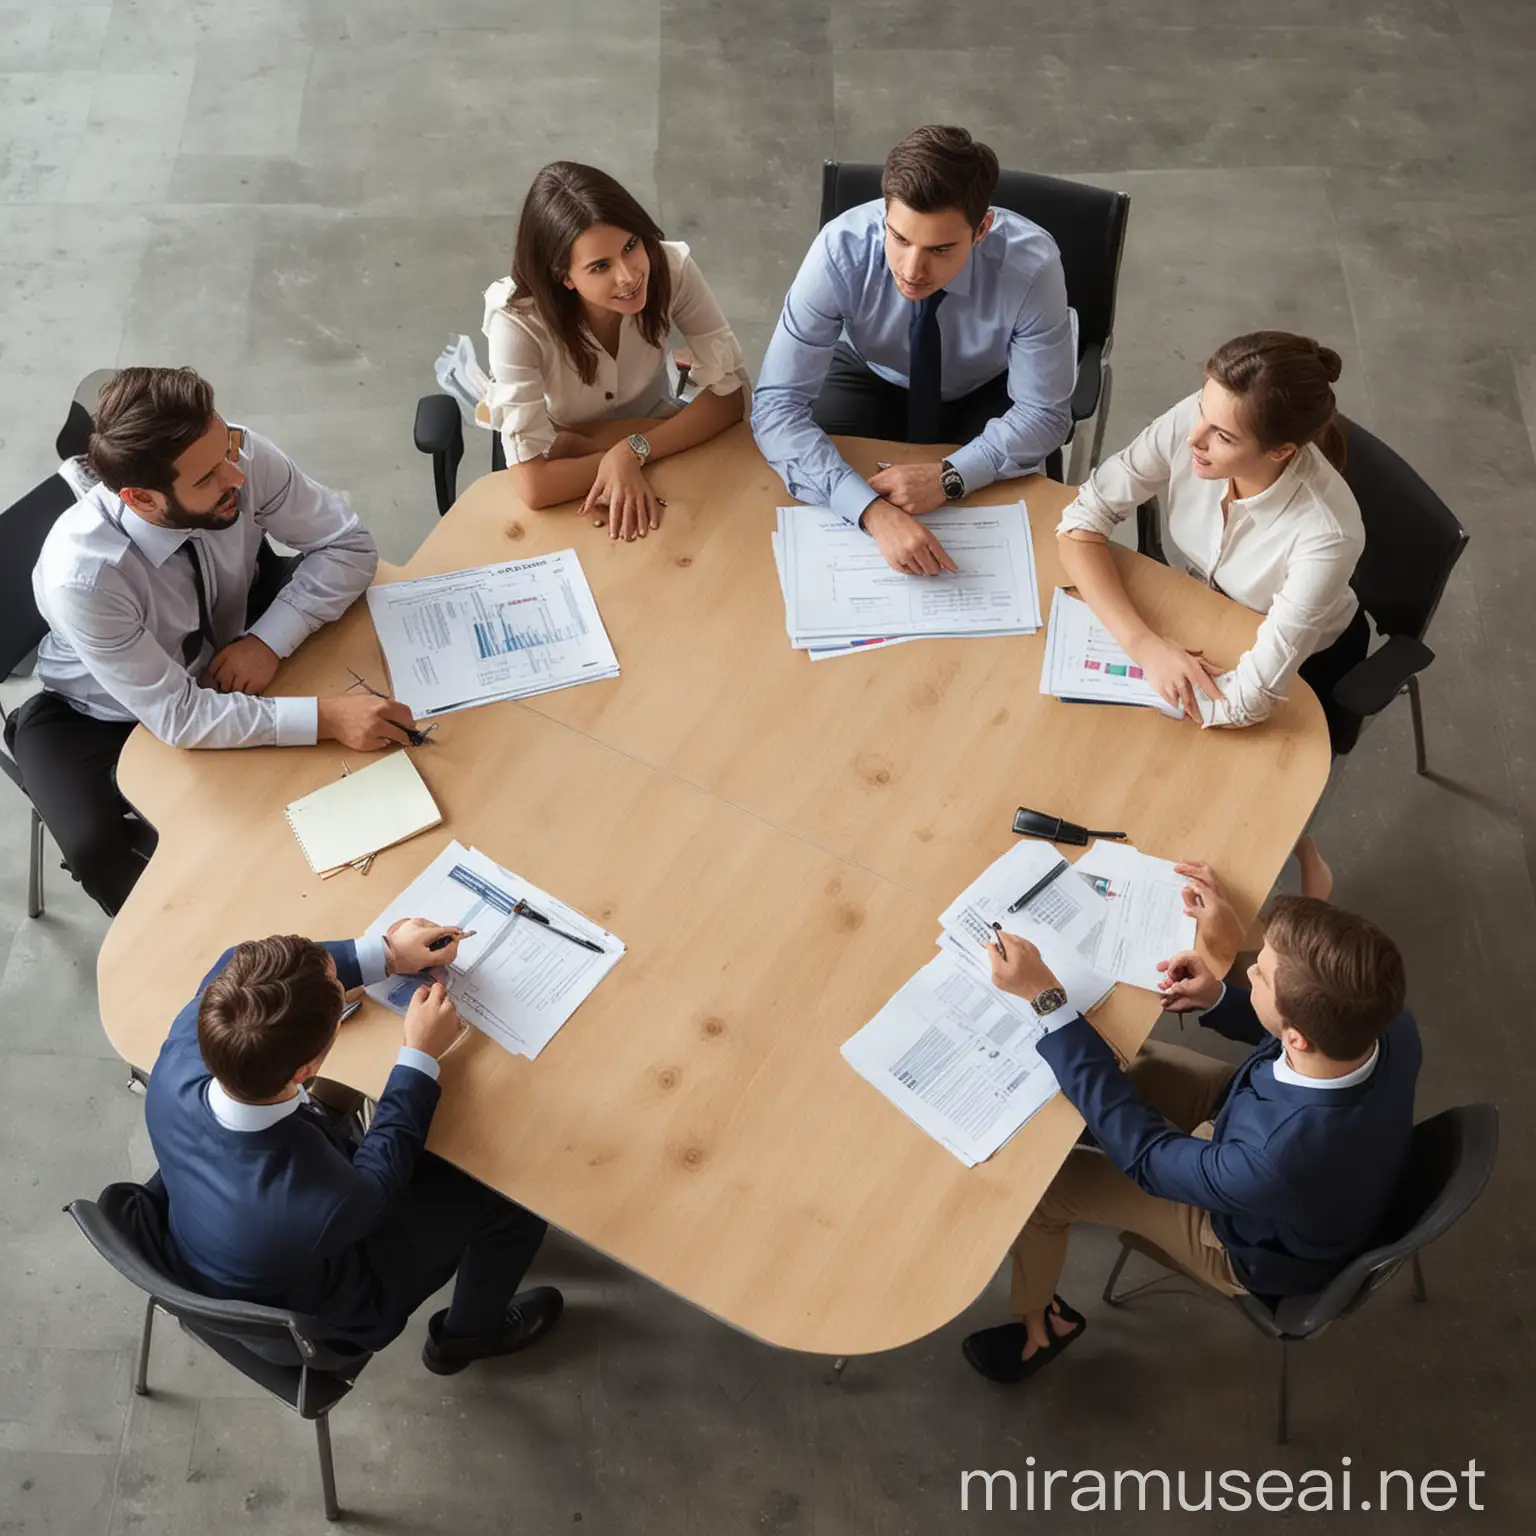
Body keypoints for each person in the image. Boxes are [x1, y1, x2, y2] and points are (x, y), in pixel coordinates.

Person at [961, 891, 1419, 1385]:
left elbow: (1150, 1160)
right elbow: (1296, 1033)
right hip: (1271, 1134)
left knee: (1047, 1190)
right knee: (1132, 1064)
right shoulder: (1386, 1022)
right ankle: (1094, 1107)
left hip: (1245, 1237)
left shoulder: (1273, 1160)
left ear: (1296, 1039)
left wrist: (1046, 1000)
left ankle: (1043, 1326)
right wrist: (1219, 999)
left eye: (1259, 975)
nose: (1247, 974)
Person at [10, 366, 416, 917]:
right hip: (99, 713)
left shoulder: (231, 456)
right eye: (207, 478)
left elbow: (348, 545)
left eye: (227, 448)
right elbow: (178, 715)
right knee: (98, 849)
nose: (237, 477)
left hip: (237, 630)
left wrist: (269, 640)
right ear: (142, 500)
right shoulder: (83, 578)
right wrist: (327, 718)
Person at [143, 919, 562, 1372]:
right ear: (306, 1068)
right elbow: (380, 1177)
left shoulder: (179, 1058)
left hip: (217, 1231)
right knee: (508, 1191)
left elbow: (232, 960)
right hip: (335, 1306)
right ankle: (468, 1336)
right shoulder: (325, 1197)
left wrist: (385, 954)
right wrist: (419, 1057)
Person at [752, 124, 1076, 577]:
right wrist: (869, 510)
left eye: (940, 249)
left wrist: (950, 476)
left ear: (982, 229)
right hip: (872, 373)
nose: (912, 270)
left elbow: (1044, 414)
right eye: (899, 239)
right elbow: (776, 406)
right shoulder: (838, 251)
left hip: (985, 387)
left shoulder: (1032, 267)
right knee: (806, 511)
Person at [1056, 331, 1368, 752]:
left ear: (1280, 452)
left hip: (1302, 662)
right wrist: (1144, 646)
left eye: (1222, 436)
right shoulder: (1199, 419)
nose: (1193, 438)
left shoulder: (1327, 535)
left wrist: (1158, 672)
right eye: (1203, 409)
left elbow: (1246, 704)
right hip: (1207, 613)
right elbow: (1083, 518)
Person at [483, 161, 749, 542]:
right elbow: (535, 487)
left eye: (631, 245)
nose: (628, 275)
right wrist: (626, 454)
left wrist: (629, 452)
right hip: (582, 459)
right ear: (564, 277)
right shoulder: (516, 321)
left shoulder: (670, 267)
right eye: (600, 266)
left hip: (621, 442)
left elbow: (732, 399)